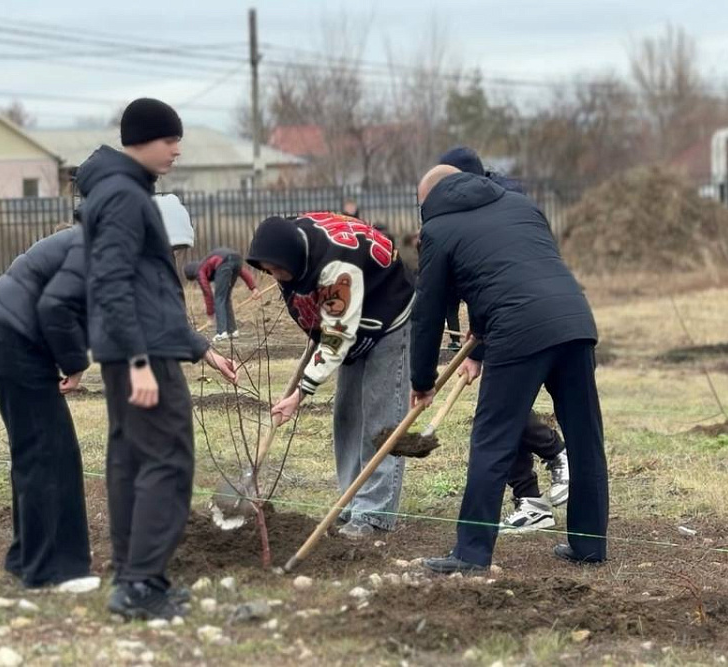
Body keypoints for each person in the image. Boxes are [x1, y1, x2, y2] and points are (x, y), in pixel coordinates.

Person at [79, 97, 238, 620]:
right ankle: (140, 583)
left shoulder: (118, 190)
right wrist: (139, 361)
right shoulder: (124, 196)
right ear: (143, 139)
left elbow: (142, 287)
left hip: (139, 345)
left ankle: (136, 578)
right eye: (169, 139)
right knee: (167, 460)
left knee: (131, 462)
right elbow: (112, 282)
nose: (177, 149)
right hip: (140, 351)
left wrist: (198, 348)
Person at [411, 165, 608, 574]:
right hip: (574, 320)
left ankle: (470, 553)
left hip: (518, 330)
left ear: (428, 200)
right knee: (585, 437)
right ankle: (589, 544)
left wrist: (422, 380)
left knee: (492, 438)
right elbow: (512, 272)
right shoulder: (520, 204)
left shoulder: (438, 230)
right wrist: (480, 341)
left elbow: (427, 312)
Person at [249, 211, 415, 539]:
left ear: (293, 258)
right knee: (347, 414)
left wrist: (300, 394)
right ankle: (351, 500)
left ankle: (374, 512)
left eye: (279, 270)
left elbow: (337, 337)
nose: (276, 277)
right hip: (352, 307)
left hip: (388, 310)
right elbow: (326, 319)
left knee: (381, 415)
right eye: (269, 271)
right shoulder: (293, 241)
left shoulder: (337, 269)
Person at [435, 145, 571, 532]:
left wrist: (479, 341)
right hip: (497, 317)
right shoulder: (472, 205)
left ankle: (555, 451)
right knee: (501, 411)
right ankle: (530, 500)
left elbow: (499, 274)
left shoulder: (501, 204)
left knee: (500, 413)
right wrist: (474, 343)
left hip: (526, 317)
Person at [0, 221, 99, 594]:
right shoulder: (94, 247)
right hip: (16, 346)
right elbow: (56, 306)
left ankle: (26, 559)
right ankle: (53, 570)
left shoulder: (86, 241)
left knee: (42, 454)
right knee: (48, 456)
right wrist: (75, 364)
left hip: (9, 342)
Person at [183, 248, 258, 341]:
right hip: (237, 259)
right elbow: (241, 271)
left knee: (219, 298)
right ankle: (232, 330)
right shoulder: (207, 264)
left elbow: (207, 293)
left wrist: (210, 314)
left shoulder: (200, 271)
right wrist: (253, 288)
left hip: (224, 263)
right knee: (225, 298)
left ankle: (221, 332)